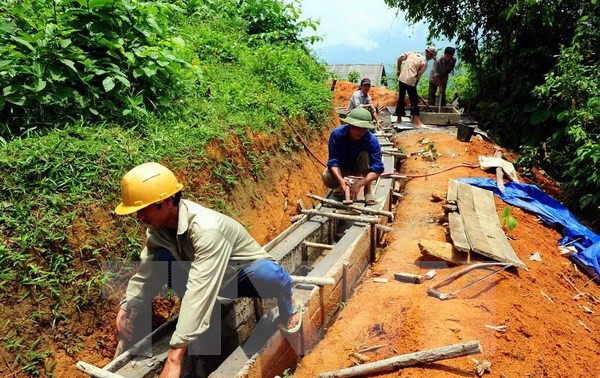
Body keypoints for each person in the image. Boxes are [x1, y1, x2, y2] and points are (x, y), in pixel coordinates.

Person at [113, 162, 301, 378]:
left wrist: (175, 357)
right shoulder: (158, 230)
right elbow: (147, 272)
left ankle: (289, 301)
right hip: (207, 280)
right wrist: (127, 308)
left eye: (142, 209)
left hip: (238, 278)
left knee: (268, 274)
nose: (139, 217)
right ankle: (200, 320)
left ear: (164, 202)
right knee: (160, 258)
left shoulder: (207, 229)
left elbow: (200, 288)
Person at [322, 108, 384, 206]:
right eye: (358, 128)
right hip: (342, 167)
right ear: (350, 126)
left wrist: (359, 184)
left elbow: (378, 169)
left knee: (364, 154)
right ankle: (341, 186)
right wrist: (340, 179)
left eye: (364, 129)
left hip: (361, 168)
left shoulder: (371, 141)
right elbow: (333, 161)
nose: (361, 132)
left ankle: (367, 191)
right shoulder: (337, 135)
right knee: (327, 177)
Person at [393, 46, 437, 127]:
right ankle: (417, 122)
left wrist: (399, 70)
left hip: (402, 78)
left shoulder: (412, 53)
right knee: (414, 101)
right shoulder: (424, 63)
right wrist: (414, 86)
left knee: (401, 98)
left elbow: (400, 58)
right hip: (411, 80)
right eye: (432, 57)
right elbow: (418, 76)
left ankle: (399, 118)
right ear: (430, 54)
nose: (431, 59)